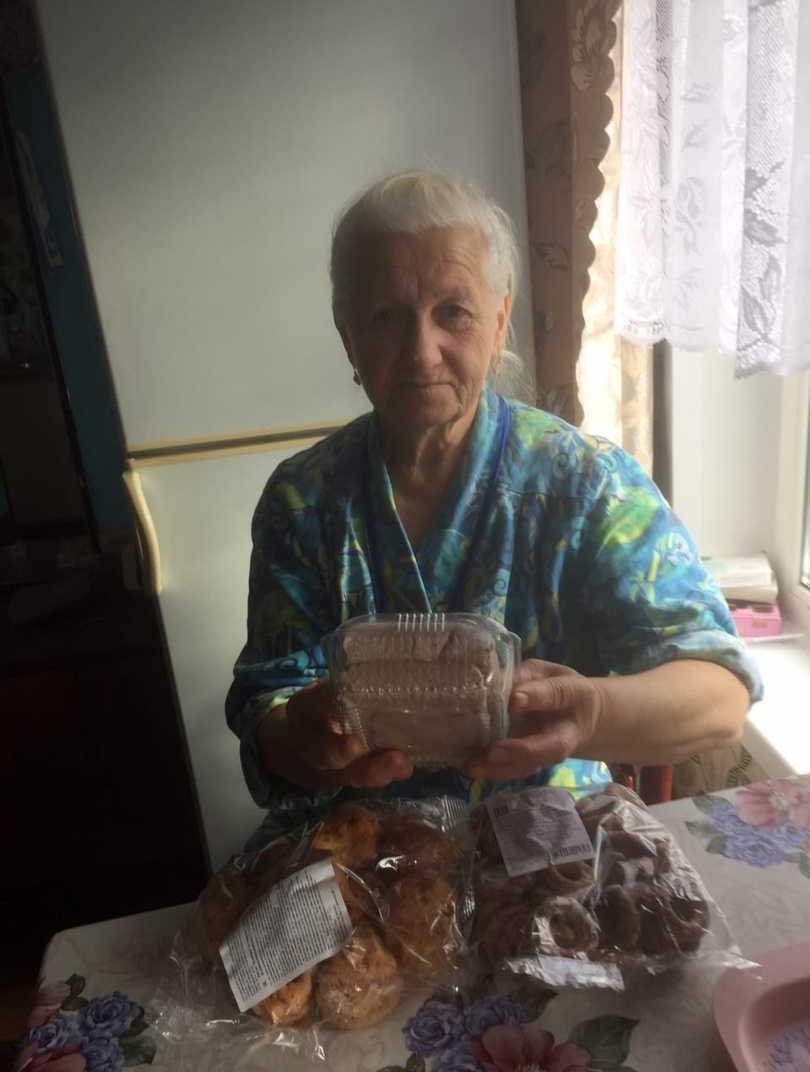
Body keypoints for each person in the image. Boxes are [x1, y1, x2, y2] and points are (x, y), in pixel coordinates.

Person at [226, 170, 761, 846]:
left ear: (499, 319)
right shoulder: (303, 500)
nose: (422, 352)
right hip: (360, 850)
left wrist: (591, 713)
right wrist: (303, 739)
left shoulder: (585, 485)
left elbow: (719, 695)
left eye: (453, 311)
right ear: (347, 335)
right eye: (386, 317)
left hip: (547, 845)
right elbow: (265, 709)